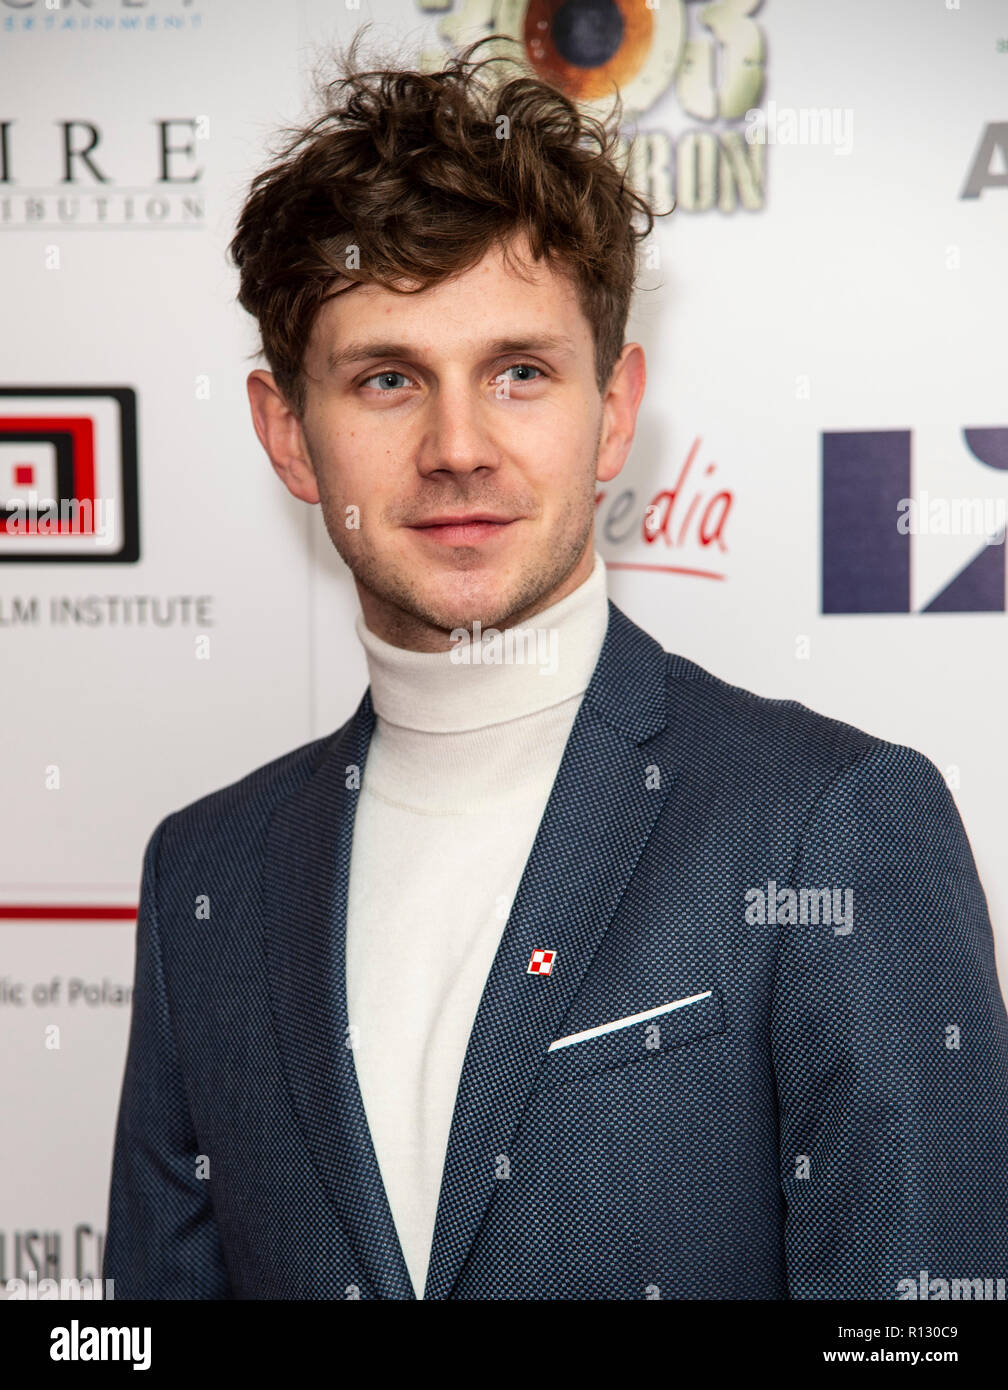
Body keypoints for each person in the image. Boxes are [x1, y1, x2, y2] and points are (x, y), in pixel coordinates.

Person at [102, 35, 1008, 1300]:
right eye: (386, 379)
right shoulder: (204, 876)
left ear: (616, 411)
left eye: (519, 372)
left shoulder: (831, 825)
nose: (458, 446)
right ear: (287, 435)